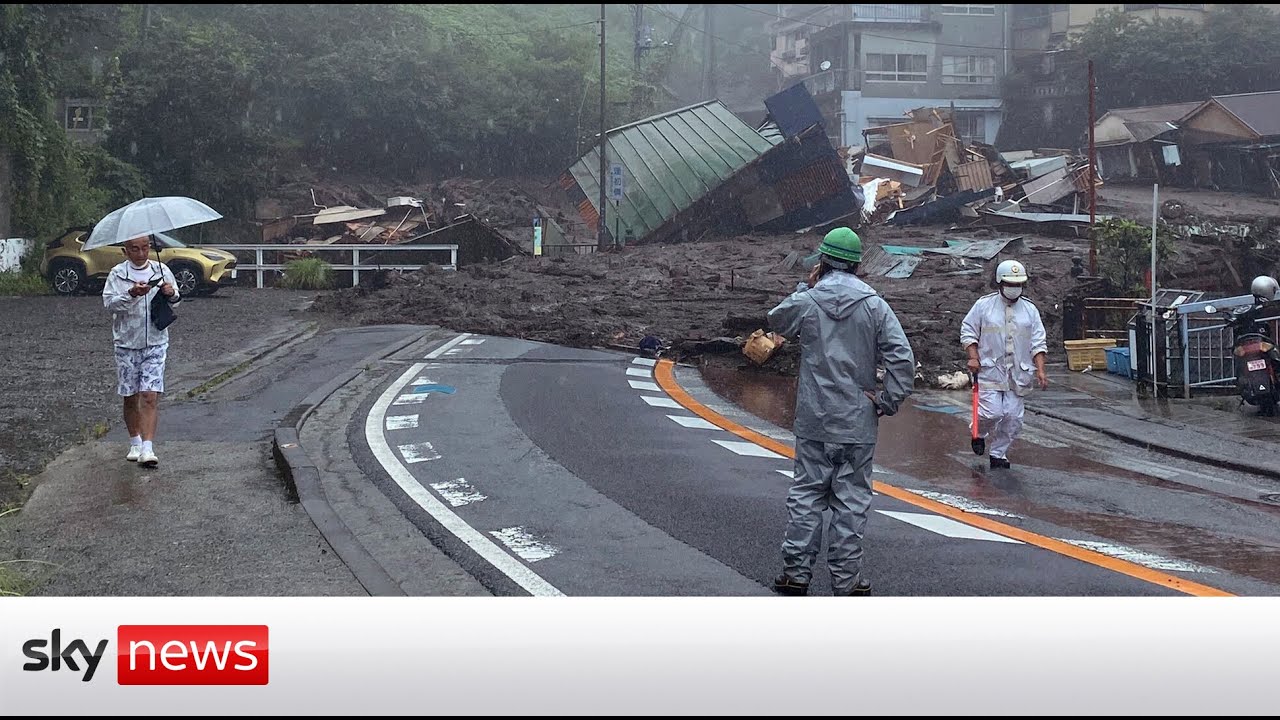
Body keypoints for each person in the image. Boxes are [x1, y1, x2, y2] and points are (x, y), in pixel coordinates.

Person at [766, 227, 915, 597]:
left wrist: (805, 288)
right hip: (857, 421)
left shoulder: (809, 300)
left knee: (806, 496)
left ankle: (796, 574)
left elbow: (776, 321)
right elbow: (902, 358)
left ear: (823, 261)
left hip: (815, 418)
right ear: (857, 265)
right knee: (851, 503)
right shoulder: (875, 305)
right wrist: (887, 400)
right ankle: (847, 582)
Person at [960, 258, 1048, 470]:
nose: (1013, 289)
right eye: (1009, 284)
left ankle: (998, 453)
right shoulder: (983, 306)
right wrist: (973, 356)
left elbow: (1038, 341)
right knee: (992, 413)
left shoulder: (1030, 311)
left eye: (1017, 285)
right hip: (990, 370)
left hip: (1018, 374)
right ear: (1000, 283)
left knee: (1012, 417)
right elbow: (968, 331)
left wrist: (1041, 371)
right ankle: (979, 433)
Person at [103, 235, 181, 468]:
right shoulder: (117, 274)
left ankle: (148, 448)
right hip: (126, 343)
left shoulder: (161, 269)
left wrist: (171, 293)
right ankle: (135, 441)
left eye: (145, 248)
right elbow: (109, 304)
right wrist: (131, 294)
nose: (141, 253)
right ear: (125, 251)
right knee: (130, 395)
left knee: (150, 394)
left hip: (156, 341)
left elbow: (176, 300)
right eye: (135, 249)